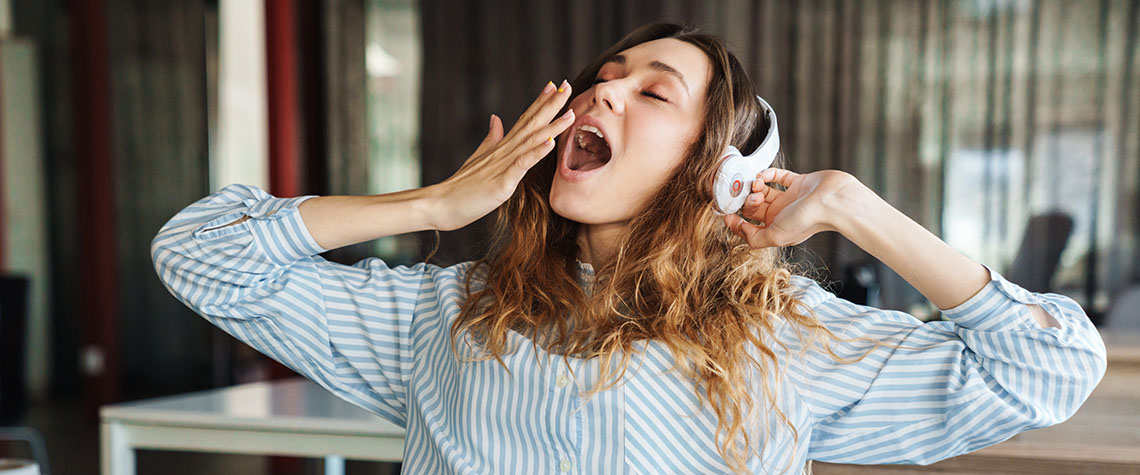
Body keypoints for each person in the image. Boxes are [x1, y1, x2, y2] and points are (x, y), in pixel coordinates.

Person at [151, 23, 1106, 474]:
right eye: (601, 81)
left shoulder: (786, 343)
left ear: (718, 170)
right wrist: (434, 203)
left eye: (653, 93)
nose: (599, 95)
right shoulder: (445, 314)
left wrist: (855, 208)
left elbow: (1051, 365)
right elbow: (198, 251)